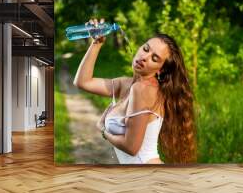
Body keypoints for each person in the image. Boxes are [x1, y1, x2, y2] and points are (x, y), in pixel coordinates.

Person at [73, 18, 197, 164]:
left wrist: (103, 131)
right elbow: (82, 82)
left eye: (154, 58)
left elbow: (131, 147)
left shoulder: (143, 89)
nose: (144, 57)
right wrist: (97, 43)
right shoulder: (126, 84)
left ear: (161, 69)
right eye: (145, 49)